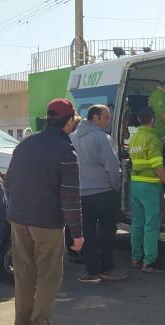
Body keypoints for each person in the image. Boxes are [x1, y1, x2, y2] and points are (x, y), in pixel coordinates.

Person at [5, 98, 84, 325]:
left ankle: (21, 324)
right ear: (69, 121)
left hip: (18, 219)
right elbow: (70, 197)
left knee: (24, 273)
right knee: (49, 275)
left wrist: (16, 211)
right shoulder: (66, 152)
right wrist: (78, 234)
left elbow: (8, 182)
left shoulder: (25, 143)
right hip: (47, 223)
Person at [70, 104, 126, 284]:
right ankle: (107, 268)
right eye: (106, 117)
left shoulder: (72, 138)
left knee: (87, 233)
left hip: (82, 194)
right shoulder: (102, 138)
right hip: (103, 192)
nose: (109, 121)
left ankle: (92, 271)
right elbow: (112, 167)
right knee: (108, 232)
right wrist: (115, 187)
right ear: (95, 118)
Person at [129, 107, 165, 273]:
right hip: (150, 185)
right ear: (153, 120)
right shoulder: (153, 138)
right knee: (151, 224)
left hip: (135, 184)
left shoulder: (135, 138)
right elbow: (157, 165)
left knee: (137, 223)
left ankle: (135, 258)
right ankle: (149, 262)